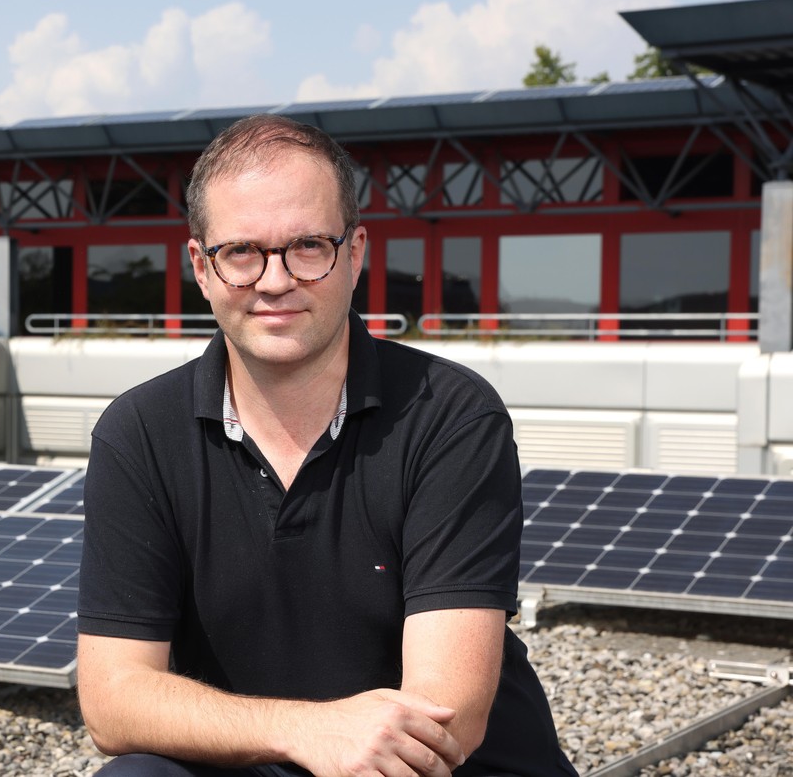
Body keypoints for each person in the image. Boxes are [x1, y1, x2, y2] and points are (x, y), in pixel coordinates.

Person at [76, 114, 576, 777]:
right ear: (201, 266)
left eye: (307, 246)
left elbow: (445, 715)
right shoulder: (138, 435)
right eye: (241, 252)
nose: (275, 280)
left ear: (356, 252)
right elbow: (114, 701)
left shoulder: (450, 417)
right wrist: (305, 730)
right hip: (268, 760)